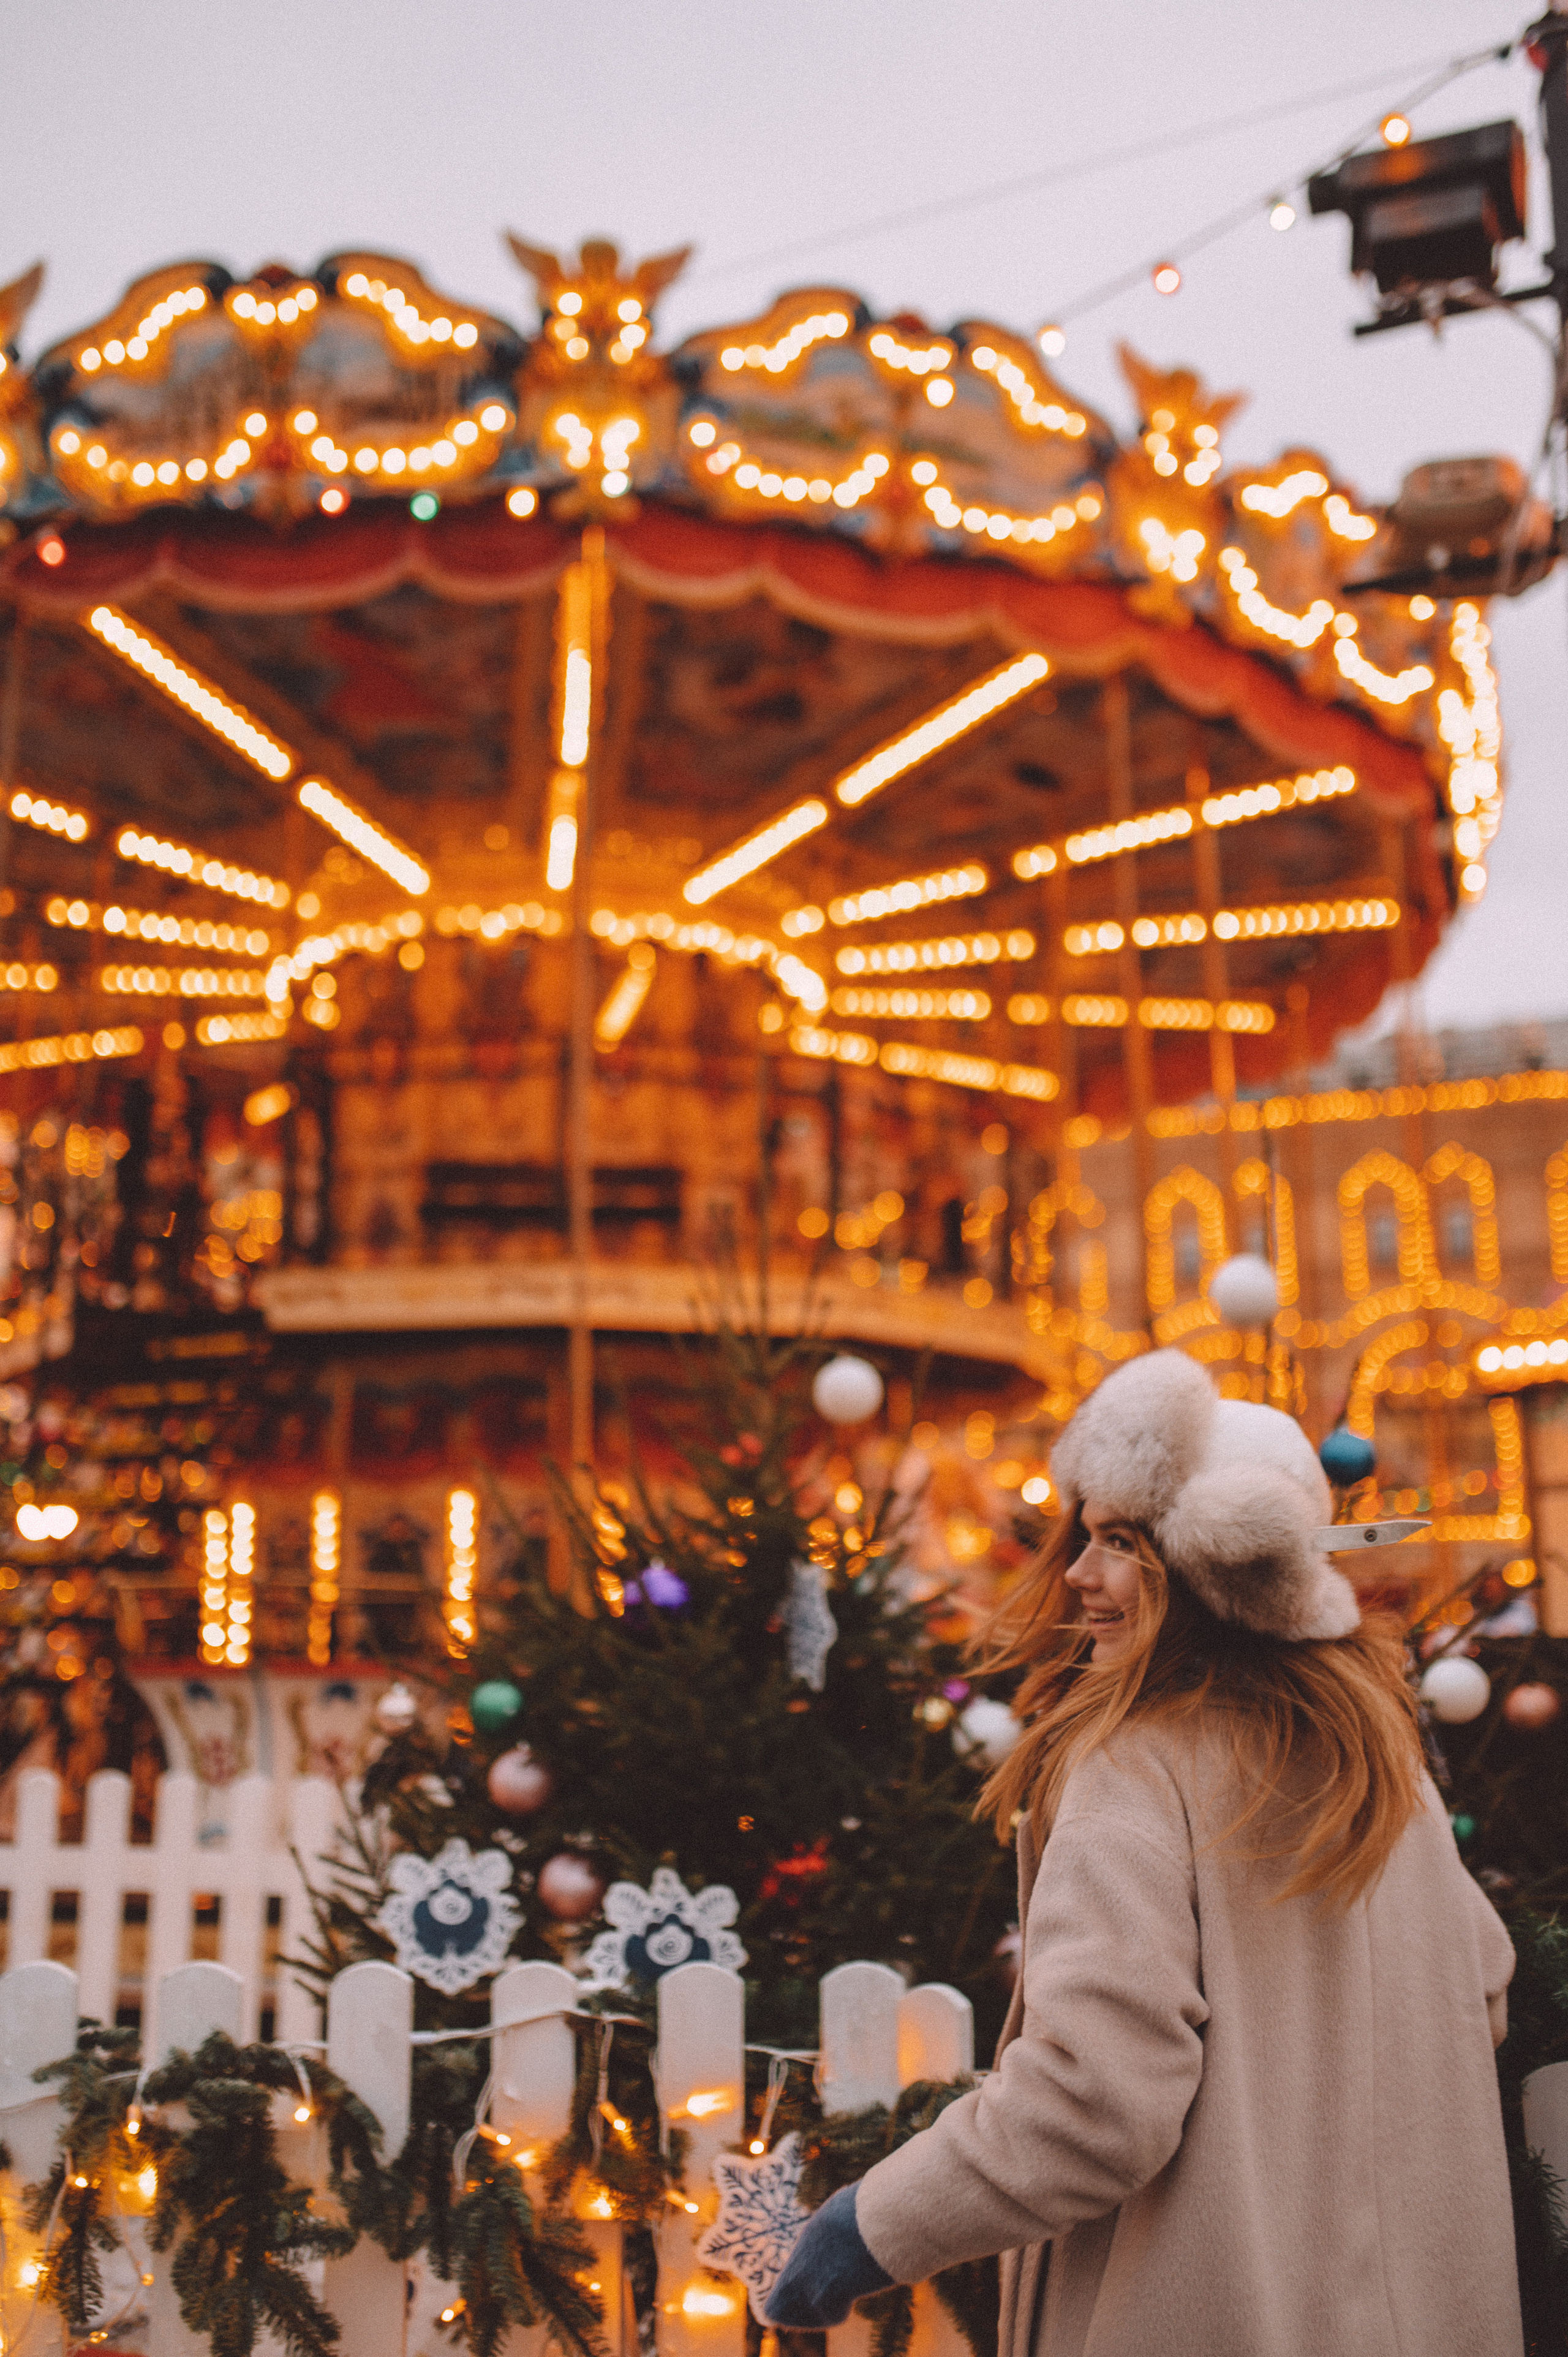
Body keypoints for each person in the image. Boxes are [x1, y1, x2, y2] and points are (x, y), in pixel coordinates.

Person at [766, 1349, 1521, 2357]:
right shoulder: (1381, 1766)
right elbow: (1482, 1988)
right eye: (1086, 1537)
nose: (1079, 1573)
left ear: (1214, 1561)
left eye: (1120, 1541)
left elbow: (1094, 2104)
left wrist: (866, 2229)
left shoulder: (1136, 1770)